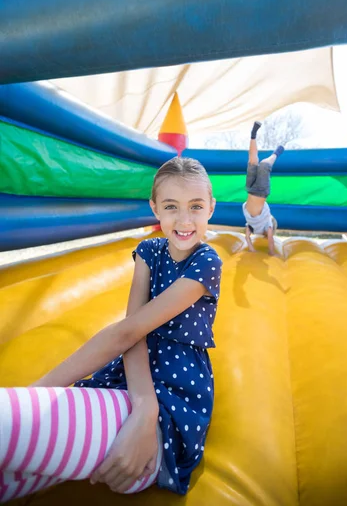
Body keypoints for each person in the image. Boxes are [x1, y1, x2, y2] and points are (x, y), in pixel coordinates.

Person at [0, 157, 222, 503]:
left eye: (196, 206)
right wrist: (142, 405)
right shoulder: (149, 251)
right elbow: (131, 333)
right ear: (154, 208)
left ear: (211, 207)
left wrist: (148, 415)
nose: (184, 220)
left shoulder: (206, 263)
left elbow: (125, 332)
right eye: (170, 206)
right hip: (131, 383)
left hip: (173, 399)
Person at [243, 121, 284, 255]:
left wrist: (251, 247)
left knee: (256, 162)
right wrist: (272, 253)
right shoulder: (267, 224)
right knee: (259, 163)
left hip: (255, 192)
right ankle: (275, 153)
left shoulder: (252, 227)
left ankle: (254, 136)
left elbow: (247, 237)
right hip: (254, 192)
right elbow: (270, 241)